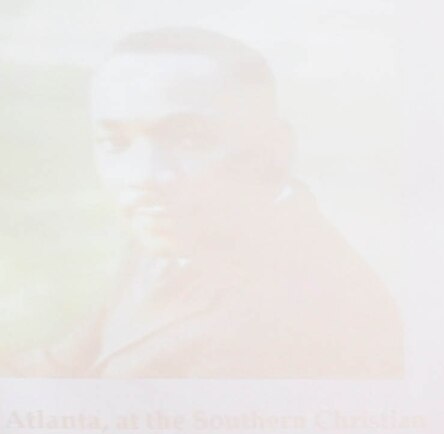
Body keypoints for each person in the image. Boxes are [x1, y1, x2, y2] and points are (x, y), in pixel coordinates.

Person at [9, 26, 401, 378]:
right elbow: (69, 362)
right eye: (116, 143)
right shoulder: (181, 232)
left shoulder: (300, 315)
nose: (144, 177)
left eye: (188, 139)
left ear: (274, 151)